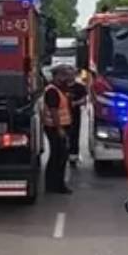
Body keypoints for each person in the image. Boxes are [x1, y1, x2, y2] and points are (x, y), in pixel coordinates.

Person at [42, 65, 75, 194]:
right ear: (56, 76)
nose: (66, 78)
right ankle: (57, 185)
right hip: (55, 128)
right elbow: (54, 111)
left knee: (58, 156)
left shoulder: (59, 89)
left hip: (60, 127)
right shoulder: (52, 91)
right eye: (64, 75)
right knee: (58, 157)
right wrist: (59, 129)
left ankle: (53, 185)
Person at [67, 70, 88, 167]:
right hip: (63, 116)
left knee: (74, 136)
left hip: (75, 115)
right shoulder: (62, 87)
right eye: (68, 74)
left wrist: (76, 103)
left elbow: (84, 100)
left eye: (72, 74)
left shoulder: (80, 87)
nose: (70, 76)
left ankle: (73, 158)